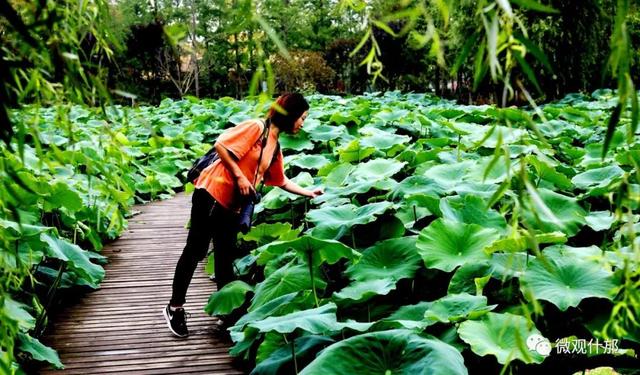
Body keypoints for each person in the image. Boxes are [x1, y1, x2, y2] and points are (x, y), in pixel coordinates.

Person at [163, 93, 323, 338]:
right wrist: (239, 175)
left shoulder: (275, 144)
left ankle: (227, 316)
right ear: (290, 114)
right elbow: (222, 145)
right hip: (210, 193)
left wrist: (309, 192)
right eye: (302, 118)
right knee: (195, 250)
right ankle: (175, 308)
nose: (302, 123)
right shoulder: (256, 127)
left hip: (232, 206)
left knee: (225, 258)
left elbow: (280, 181)